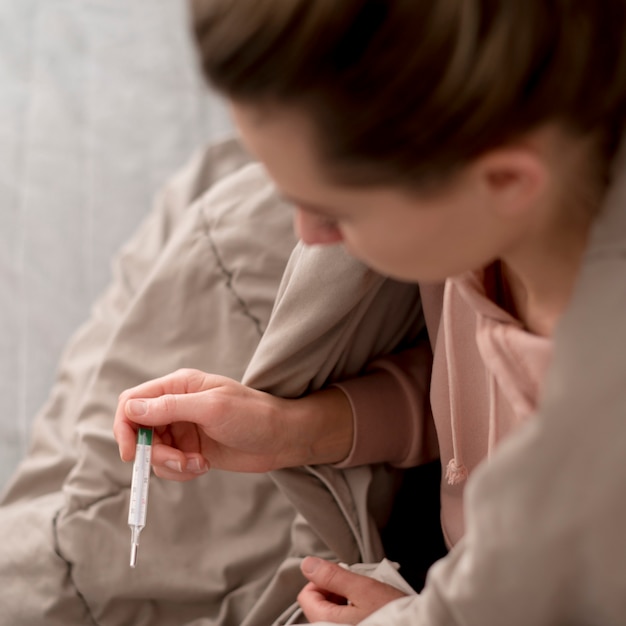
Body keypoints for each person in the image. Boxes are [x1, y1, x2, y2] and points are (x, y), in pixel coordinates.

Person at [114, 1, 626, 624]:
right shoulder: (484, 234)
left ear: (506, 181)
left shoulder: (602, 420)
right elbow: (472, 403)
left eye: (336, 211)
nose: (307, 235)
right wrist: (294, 428)